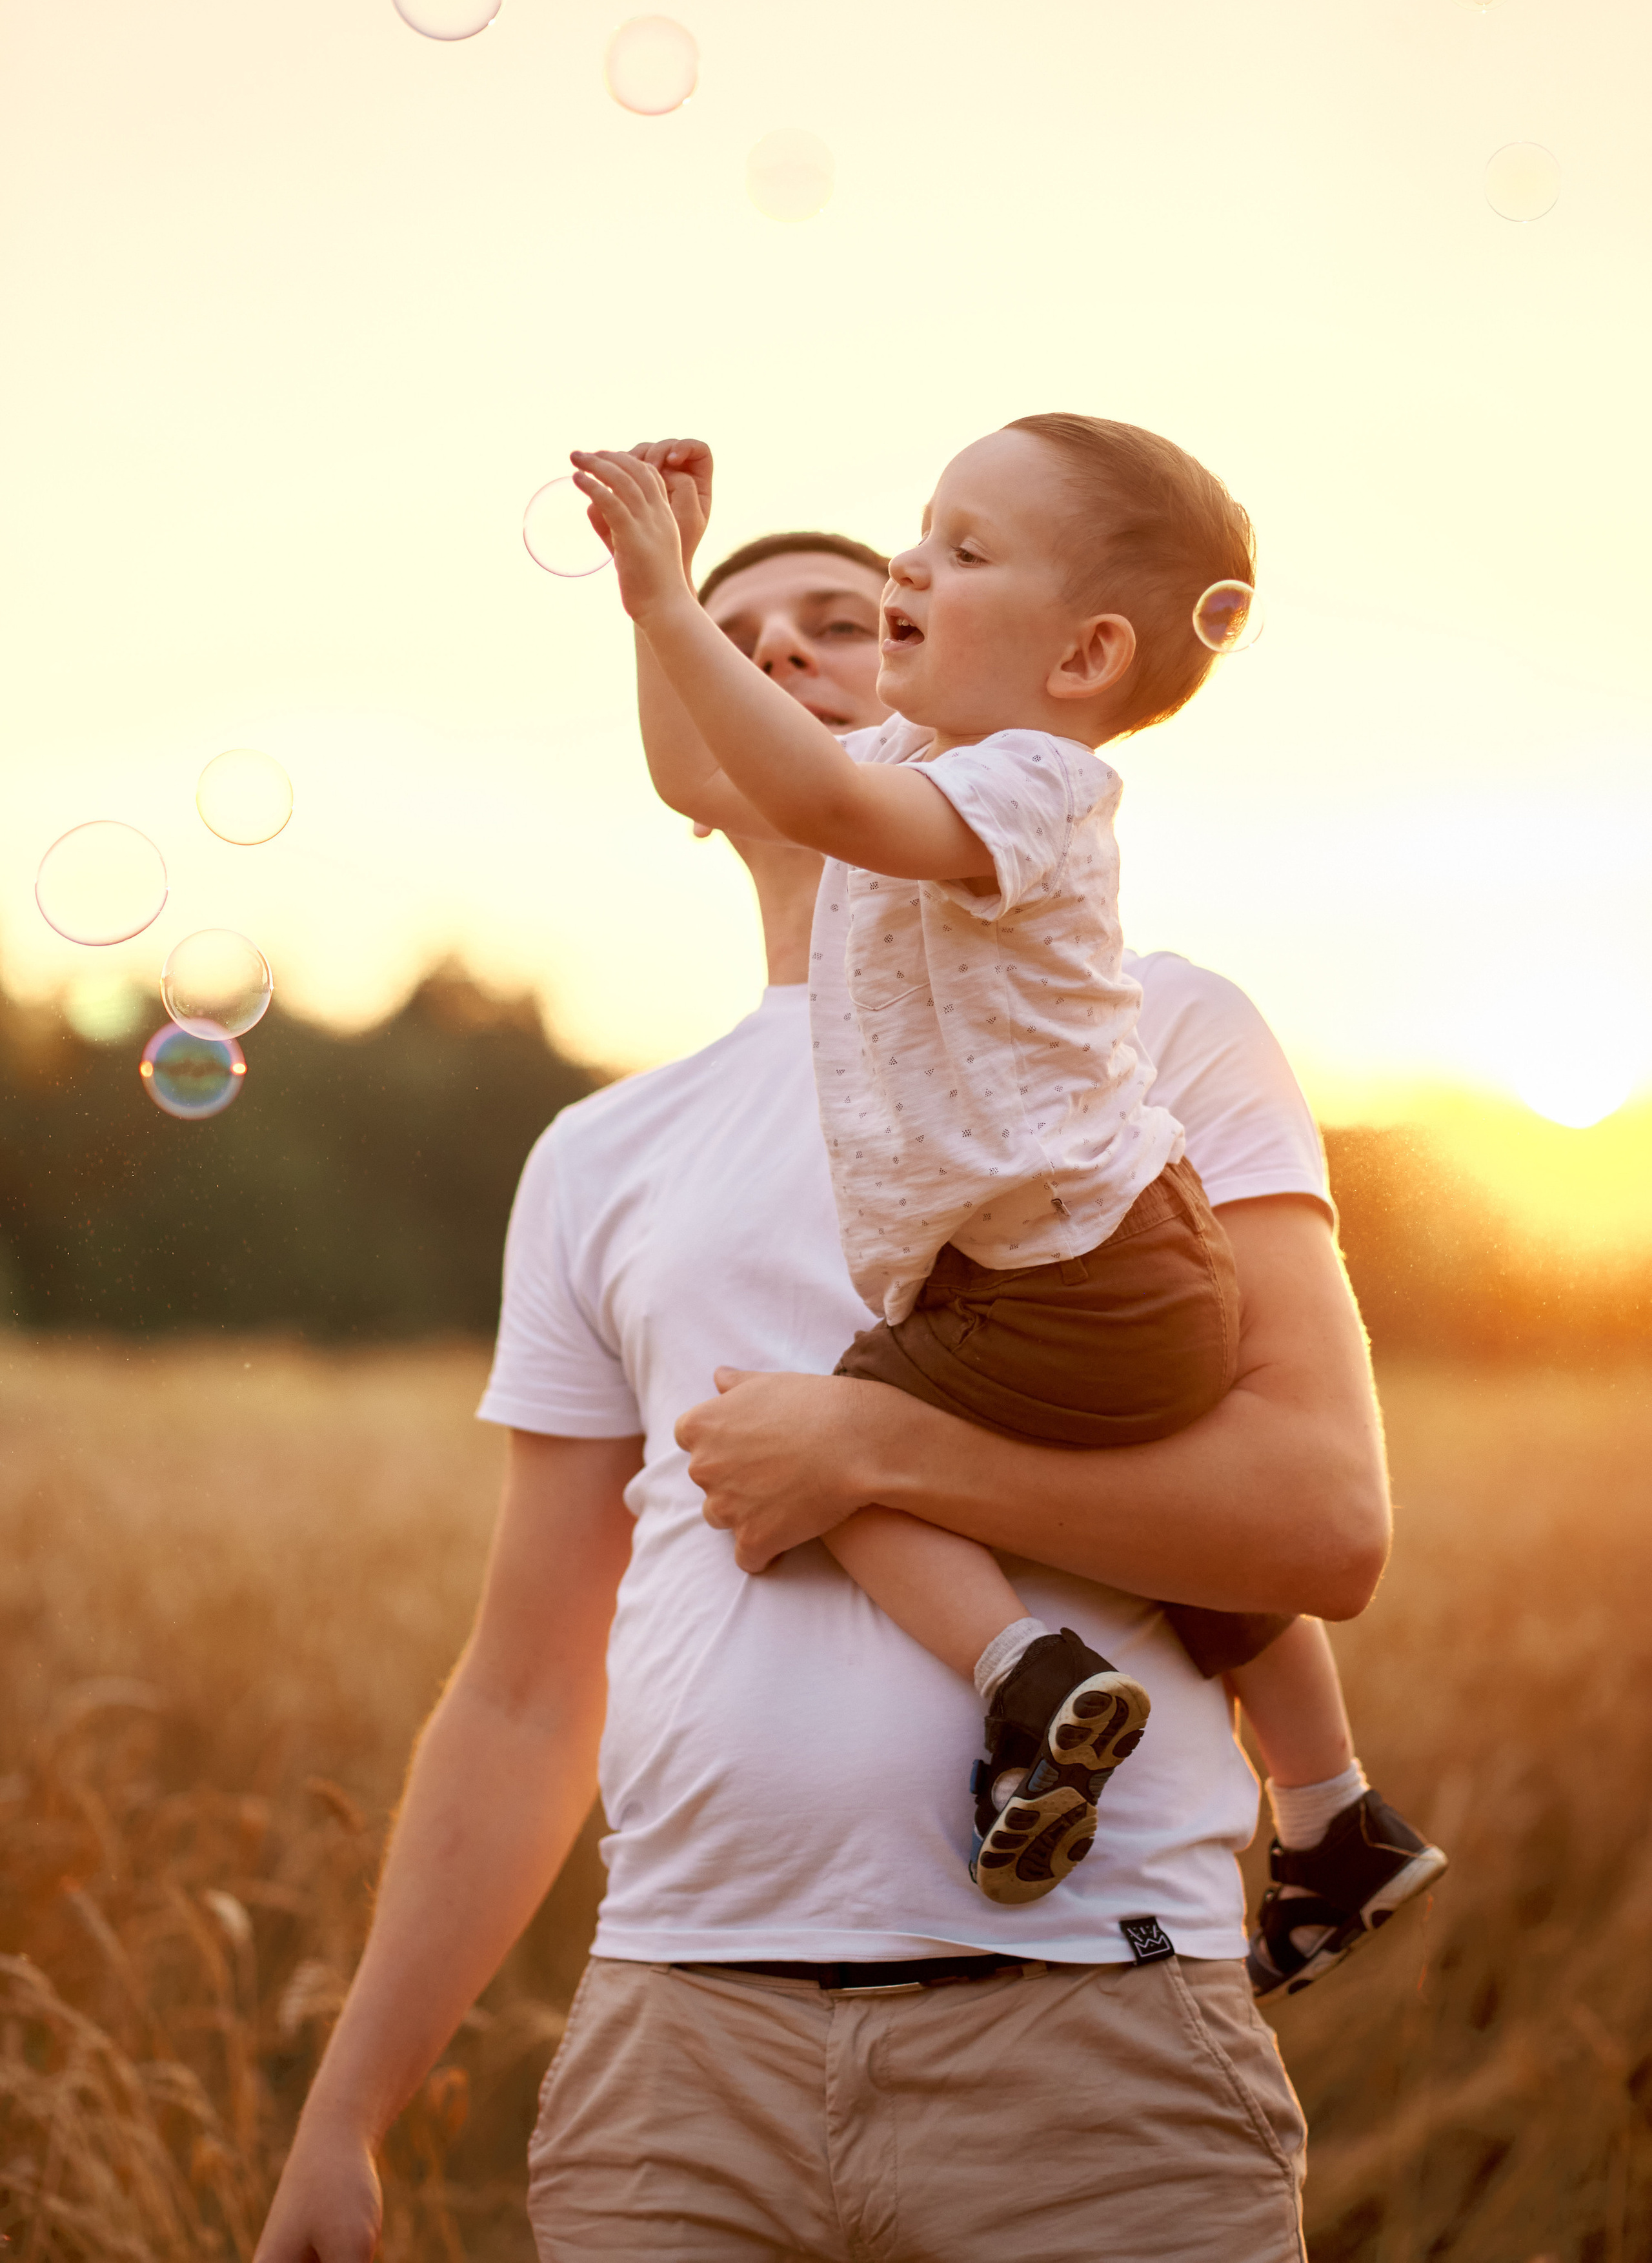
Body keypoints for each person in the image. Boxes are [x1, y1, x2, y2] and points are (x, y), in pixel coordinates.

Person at [252, 518, 1396, 2263]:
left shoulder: (1150, 1030)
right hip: (675, 2056)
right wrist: (345, 2113)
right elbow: (524, 1691)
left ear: (946, 692)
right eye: (729, 638)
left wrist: (864, 1448)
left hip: (1087, 2041)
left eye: (844, 621)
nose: (779, 653)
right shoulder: (599, 1156)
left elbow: (1321, 1524)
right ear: (687, 757)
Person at [575, 427, 1444, 1940]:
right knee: (1156, 1516)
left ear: (1083, 657)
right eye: (920, 529)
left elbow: (828, 810)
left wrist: (672, 601)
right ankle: (1328, 1813)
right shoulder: (910, 760)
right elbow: (700, 772)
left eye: (962, 551)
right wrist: (652, 599)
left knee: (820, 1446)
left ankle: (1026, 1681)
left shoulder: (1034, 785)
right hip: (1099, 1258)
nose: (909, 563)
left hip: (1083, 1267)